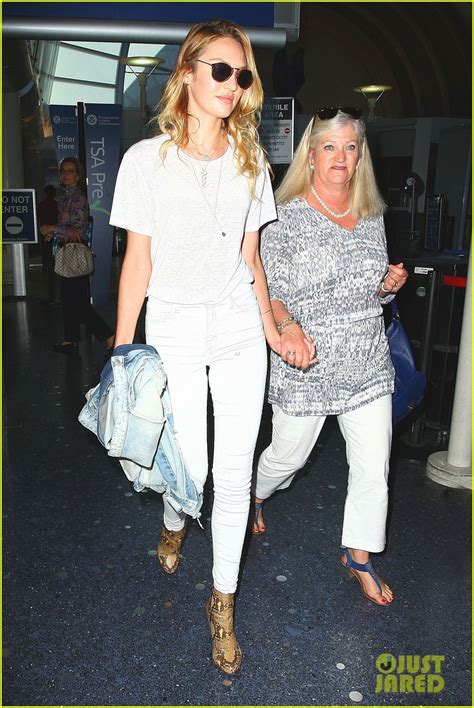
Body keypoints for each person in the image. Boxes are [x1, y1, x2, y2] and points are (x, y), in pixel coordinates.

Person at [109, 20, 310, 675]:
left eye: (242, 74)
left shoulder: (251, 159)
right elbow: (136, 263)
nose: (232, 84)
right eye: (220, 70)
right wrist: (121, 352)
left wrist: (273, 326)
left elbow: (253, 259)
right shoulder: (147, 161)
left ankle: (221, 600)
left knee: (235, 473)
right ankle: (174, 516)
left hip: (235, 328)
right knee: (190, 468)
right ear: (188, 73)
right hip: (172, 325)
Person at [251, 107, 408, 607]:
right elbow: (268, 288)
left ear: (360, 154)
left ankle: (358, 556)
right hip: (306, 362)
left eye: (350, 146)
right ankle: (256, 492)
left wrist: (386, 287)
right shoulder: (285, 214)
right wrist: (287, 326)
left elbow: (369, 289)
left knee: (373, 465)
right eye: (329, 146)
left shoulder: (373, 213)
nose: (341, 156)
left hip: (366, 360)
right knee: (288, 457)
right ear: (311, 154)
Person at [40, 157, 114, 354]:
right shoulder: (65, 198)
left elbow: (78, 230)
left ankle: (108, 336)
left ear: (78, 175)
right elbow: (67, 229)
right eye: (63, 171)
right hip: (66, 252)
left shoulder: (78, 198)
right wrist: (52, 234)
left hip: (74, 254)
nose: (65, 174)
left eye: (70, 171)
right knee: (69, 300)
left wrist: (52, 228)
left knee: (79, 304)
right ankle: (70, 340)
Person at [38, 184, 59, 302]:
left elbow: (40, 219)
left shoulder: (41, 205)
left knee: (47, 258)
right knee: (56, 260)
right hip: (55, 234)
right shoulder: (57, 205)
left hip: (45, 233)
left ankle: (51, 294)